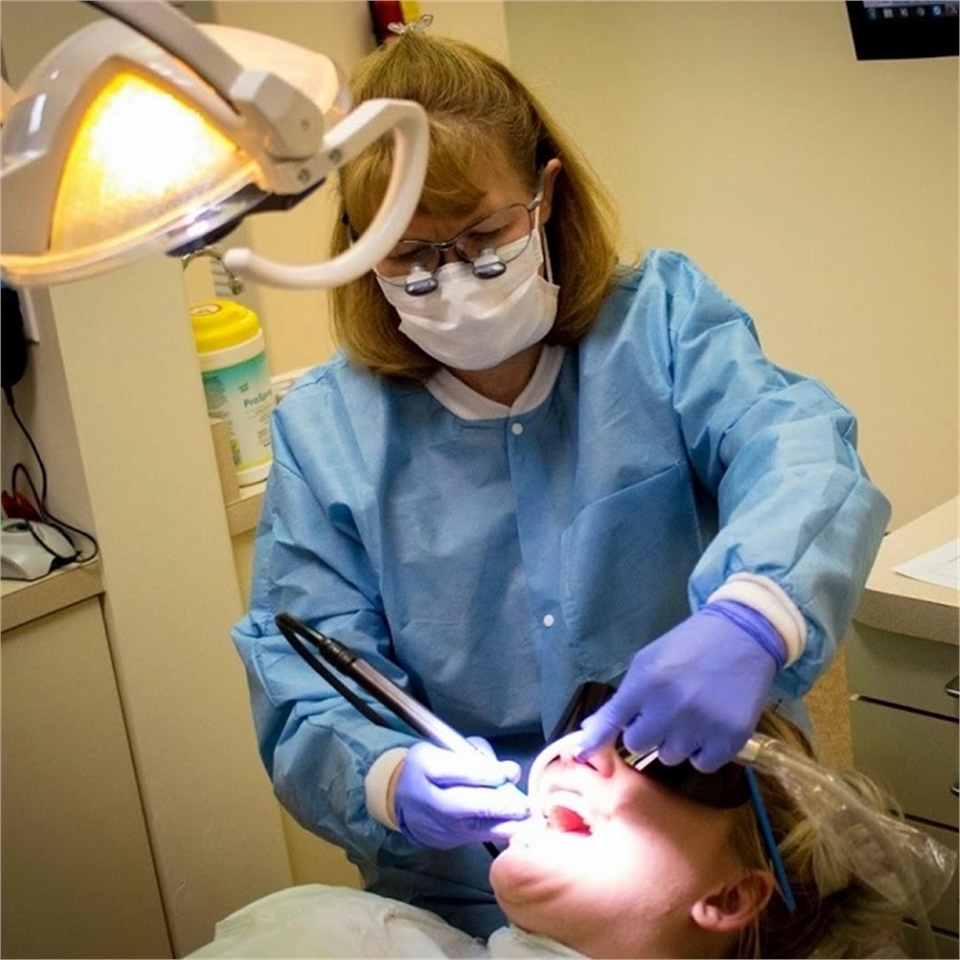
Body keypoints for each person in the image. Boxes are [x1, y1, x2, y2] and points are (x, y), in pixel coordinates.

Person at [231, 23, 892, 937]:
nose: (451, 277)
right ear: (357, 247)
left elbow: (801, 449)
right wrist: (385, 777)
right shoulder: (326, 435)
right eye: (409, 253)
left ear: (544, 195)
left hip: (695, 869)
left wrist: (753, 617)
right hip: (455, 891)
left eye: (481, 234)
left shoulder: (659, 326)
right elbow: (304, 677)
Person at [190, 711, 951, 958]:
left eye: (658, 760)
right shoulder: (348, 938)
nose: (584, 752)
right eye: (596, 719)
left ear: (728, 896)